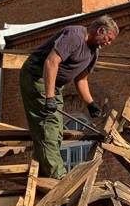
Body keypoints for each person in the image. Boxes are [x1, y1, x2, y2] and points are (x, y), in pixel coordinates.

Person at [19, 15, 119, 179]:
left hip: (55, 85)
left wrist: (90, 104)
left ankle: (42, 172)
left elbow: (81, 79)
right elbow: (51, 62)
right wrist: (50, 98)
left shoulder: (93, 53)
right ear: (101, 30)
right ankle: (57, 175)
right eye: (108, 39)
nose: (108, 43)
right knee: (48, 124)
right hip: (36, 76)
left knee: (57, 129)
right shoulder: (74, 36)